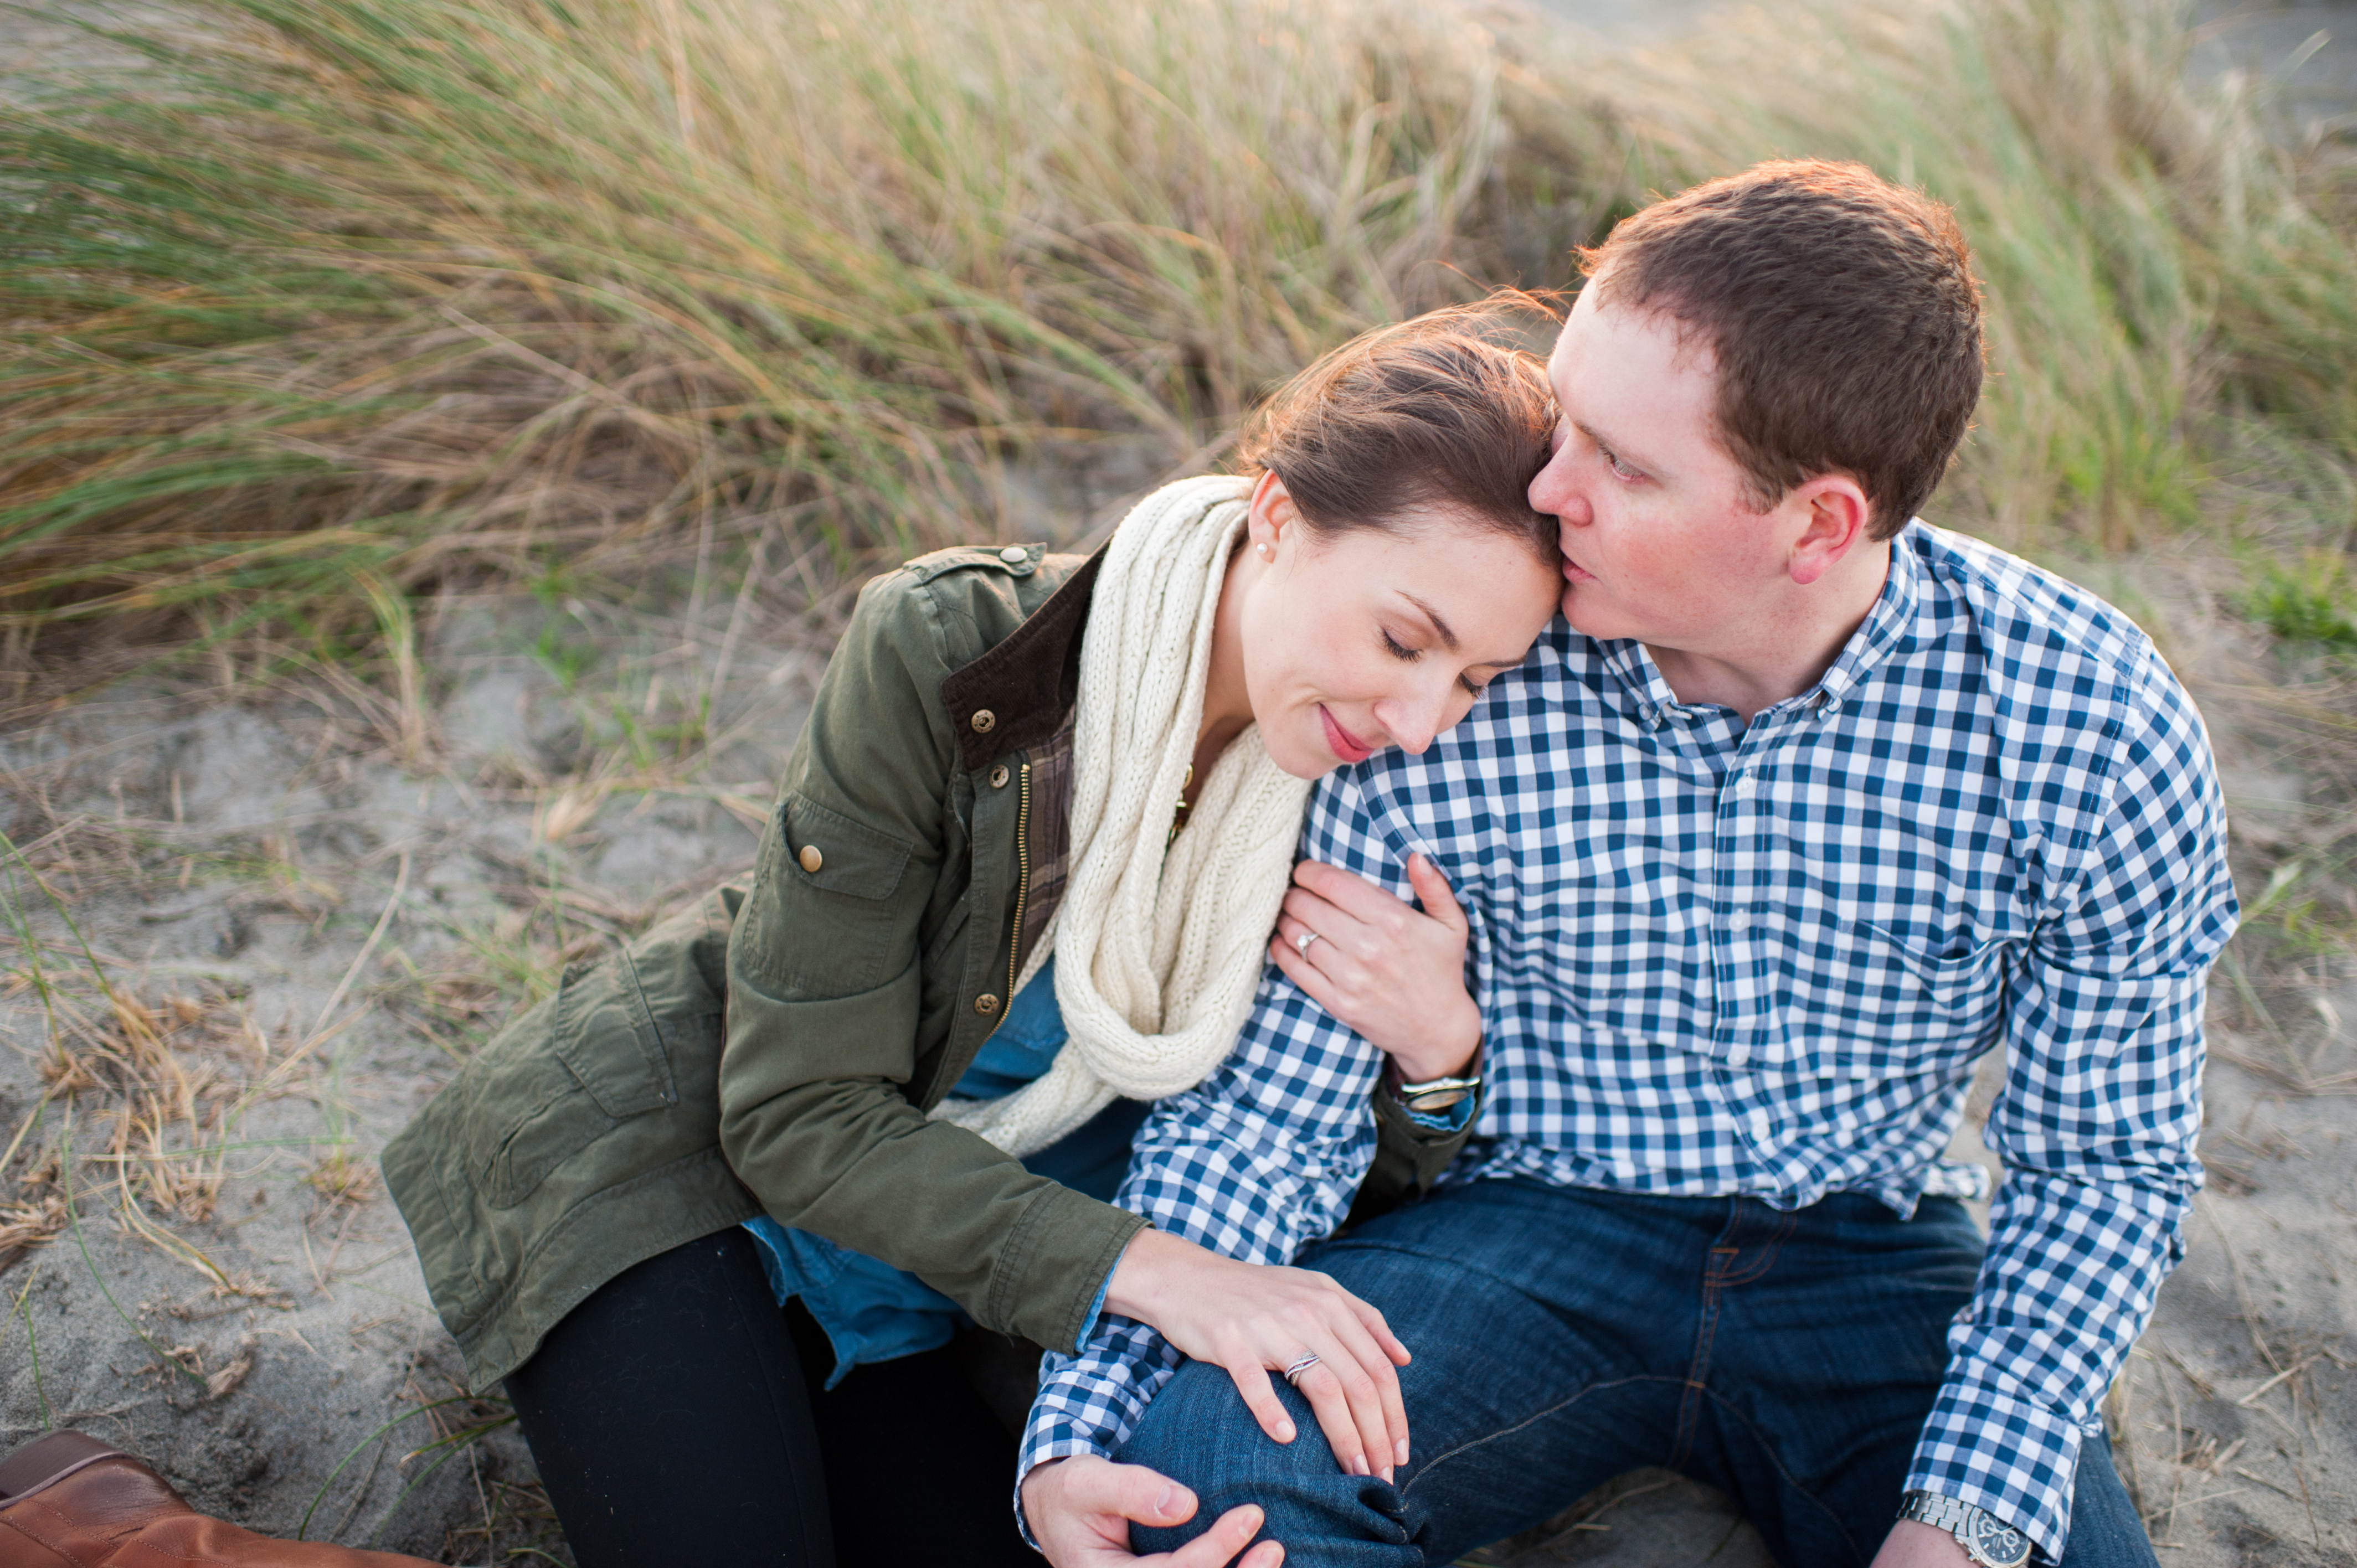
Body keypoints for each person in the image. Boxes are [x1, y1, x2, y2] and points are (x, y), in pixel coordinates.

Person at [1019, 160, 2237, 1568]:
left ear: (1818, 526)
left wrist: (1963, 1517)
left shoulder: (2084, 722)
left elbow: (2102, 1167)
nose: (1547, 489)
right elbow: (1268, 1124)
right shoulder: (1448, 667)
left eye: (1624, 465)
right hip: (1524, 1229)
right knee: (1209, 1496)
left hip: (1872, 1254)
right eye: (1566, 422)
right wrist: (1082, 1428)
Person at [380, 306, 1569, 1567]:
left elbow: (1292, 1167)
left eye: (1475, 681)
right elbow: (795, 1115)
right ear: (1275, 519)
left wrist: (1437, 1057)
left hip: (922, 1290)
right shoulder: (960, 652)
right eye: (1404, 640)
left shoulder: (1354, 804)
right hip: (680, 1185)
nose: (1421, 719)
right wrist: (1153, 1269)